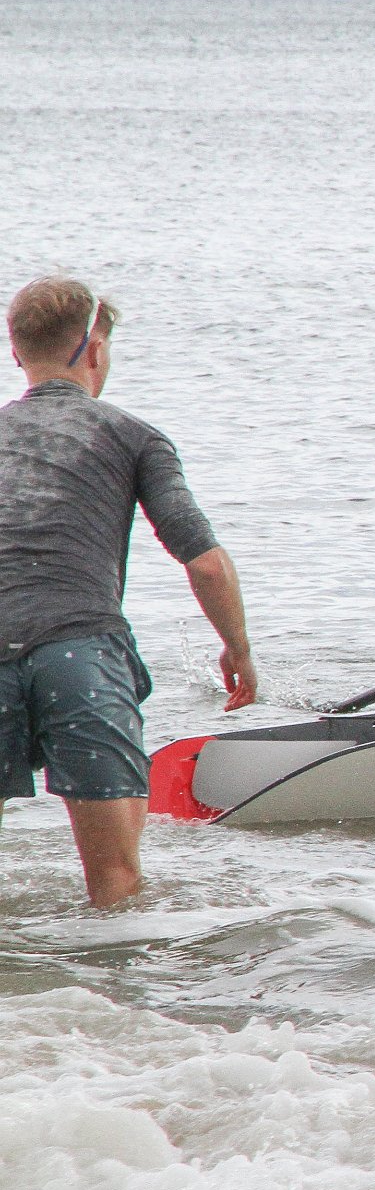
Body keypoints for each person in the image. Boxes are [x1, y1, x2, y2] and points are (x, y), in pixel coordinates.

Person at [2, 277, 257, 906]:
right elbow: (206, 566)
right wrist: (238, 650)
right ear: (91, 350)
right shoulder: (133, 436)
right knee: (115, 880)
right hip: (79, 655)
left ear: (16, 353)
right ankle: (115, 996)